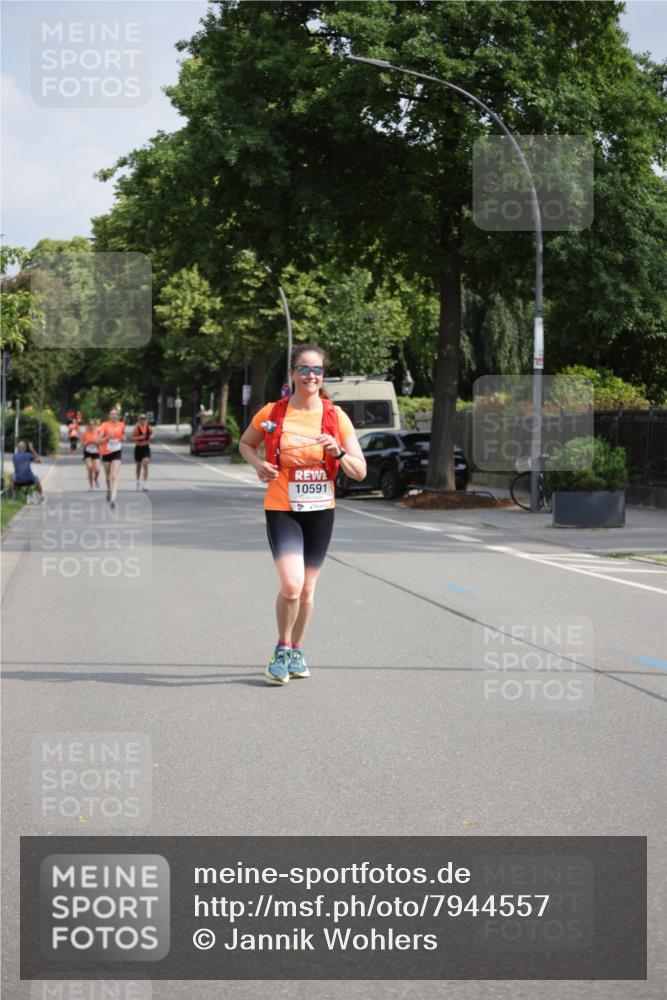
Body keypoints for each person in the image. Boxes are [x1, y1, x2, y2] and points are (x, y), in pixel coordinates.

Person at [239, 344, 366, 685]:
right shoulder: (273, 412)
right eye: (304, 369)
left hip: (321, 510)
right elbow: (245, 444)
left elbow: (360, 472)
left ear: (323, 375)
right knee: (292, 585)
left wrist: (336, 450)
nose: (311, 376)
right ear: (292, 373)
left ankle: (297, 648)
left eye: (318, 370)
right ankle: (281, 649)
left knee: (308, 590)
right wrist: (258, 465)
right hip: (282, 507)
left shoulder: (335, 416)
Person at [98, 407, 125, 509]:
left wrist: (123, 438)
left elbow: (122, 436)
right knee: (108, 476)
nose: (113, 416)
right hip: (106, 452)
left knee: (113, 475)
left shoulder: (121, 425)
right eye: (111, 414)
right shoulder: (104, 425)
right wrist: (107, 437)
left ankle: (113, 499)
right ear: (109, 416)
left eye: (115, 414)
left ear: (117, 416)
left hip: (116, 452)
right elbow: (99, 440)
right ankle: (109, 490)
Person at [132, 413, 153, 490]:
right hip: (138, 448)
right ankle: (138, 481)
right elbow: (132, 438)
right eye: (141, 418)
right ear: (139, 419)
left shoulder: (148, 427)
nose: (143, 420)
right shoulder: (136, 428)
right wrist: (139, 437)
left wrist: (151, 436)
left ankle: (145, 484)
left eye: (144, 418)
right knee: (138, 467)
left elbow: (152, 433)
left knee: (145, 465)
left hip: (146, 448)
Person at [80, 418, 101, 490]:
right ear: (87, 425)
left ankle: (96, 479)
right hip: (87, 452)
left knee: (97, 469)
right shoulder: (85, 433)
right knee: (90, 468)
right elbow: (81, 444)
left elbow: (100, 442)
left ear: (95, 425)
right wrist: (85, 443)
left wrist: (97, 442)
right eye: (90, 425)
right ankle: (91, 486)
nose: (91, 426)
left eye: (93, 425)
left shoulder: (98, 432)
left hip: (96, 452)